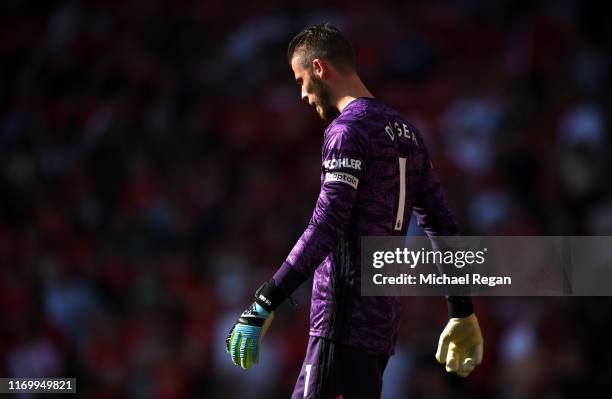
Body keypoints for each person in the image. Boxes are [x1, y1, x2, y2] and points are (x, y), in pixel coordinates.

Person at [226, 23, 483, 398]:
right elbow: (443, 226)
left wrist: (266, 301)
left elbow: (326, 225)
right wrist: (462, 310)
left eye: (300, 80)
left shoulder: (348, 130)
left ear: (319, 68)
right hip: (378, 332)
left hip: (341, 326)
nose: (301, 94)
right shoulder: (408, 133)